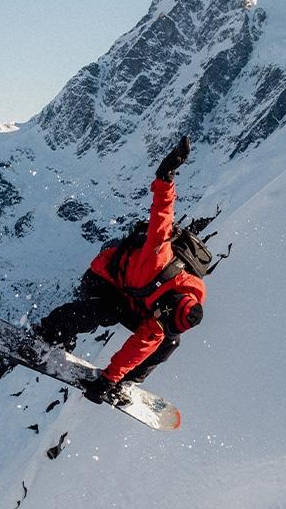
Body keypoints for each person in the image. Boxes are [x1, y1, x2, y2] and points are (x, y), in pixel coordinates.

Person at [31, 136, 206, 404]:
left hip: (135, 302)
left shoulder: (166, 318)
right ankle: (48, 334)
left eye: (164, 322)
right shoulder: (158, 258)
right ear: (167, 304)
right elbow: (162, 214)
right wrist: (166, 176)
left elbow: (142, 343)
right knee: (106, 311)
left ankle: (126, 382)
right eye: (162, 319)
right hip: (105, 280)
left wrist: (109, 380)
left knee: (168, 343)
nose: (161, 323)